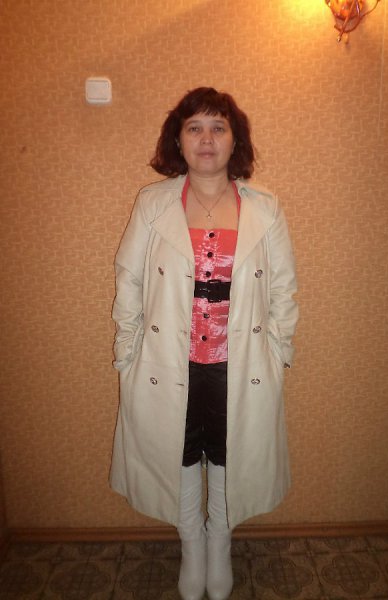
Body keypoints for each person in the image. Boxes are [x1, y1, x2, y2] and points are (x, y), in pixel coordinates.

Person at [110, 87, 298, 600]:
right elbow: (129, 280)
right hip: (167, 363)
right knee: (182, 455)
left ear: (235, 140)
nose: (207, 138)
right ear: (179, 140)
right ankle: (191, 542)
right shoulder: (153, 204)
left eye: (219, 127)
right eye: (195, 127)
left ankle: (220, 540)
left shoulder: (265, 208)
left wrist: (279, 353)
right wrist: (127, 352)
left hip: (241, 365)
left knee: (228, 455)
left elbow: (284, 288)